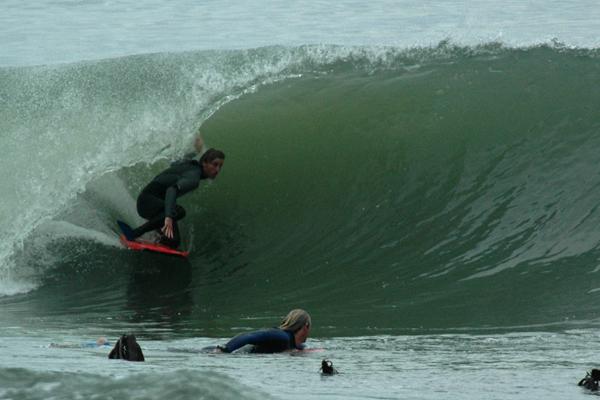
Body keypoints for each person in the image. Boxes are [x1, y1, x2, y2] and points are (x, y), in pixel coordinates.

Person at [118, 143, 225, 249]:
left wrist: (196, 151)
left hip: (150, 203)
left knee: (173, 242)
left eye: (220, 166)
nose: (218, 170)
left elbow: (174, 163)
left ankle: (156, 237)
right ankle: (135, 233)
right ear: (205, 163)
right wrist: (168, 216)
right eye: (215, 165)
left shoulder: (190, 165)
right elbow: (172, 189)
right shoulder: (194, 178)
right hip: (147, 203)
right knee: (179, 211)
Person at [215, 309, 311, 353]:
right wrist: (224, 350)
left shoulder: (291, 342)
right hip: (210, 352)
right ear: (306, 326)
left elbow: (299, 348)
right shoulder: (281, 336)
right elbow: (247, 336)